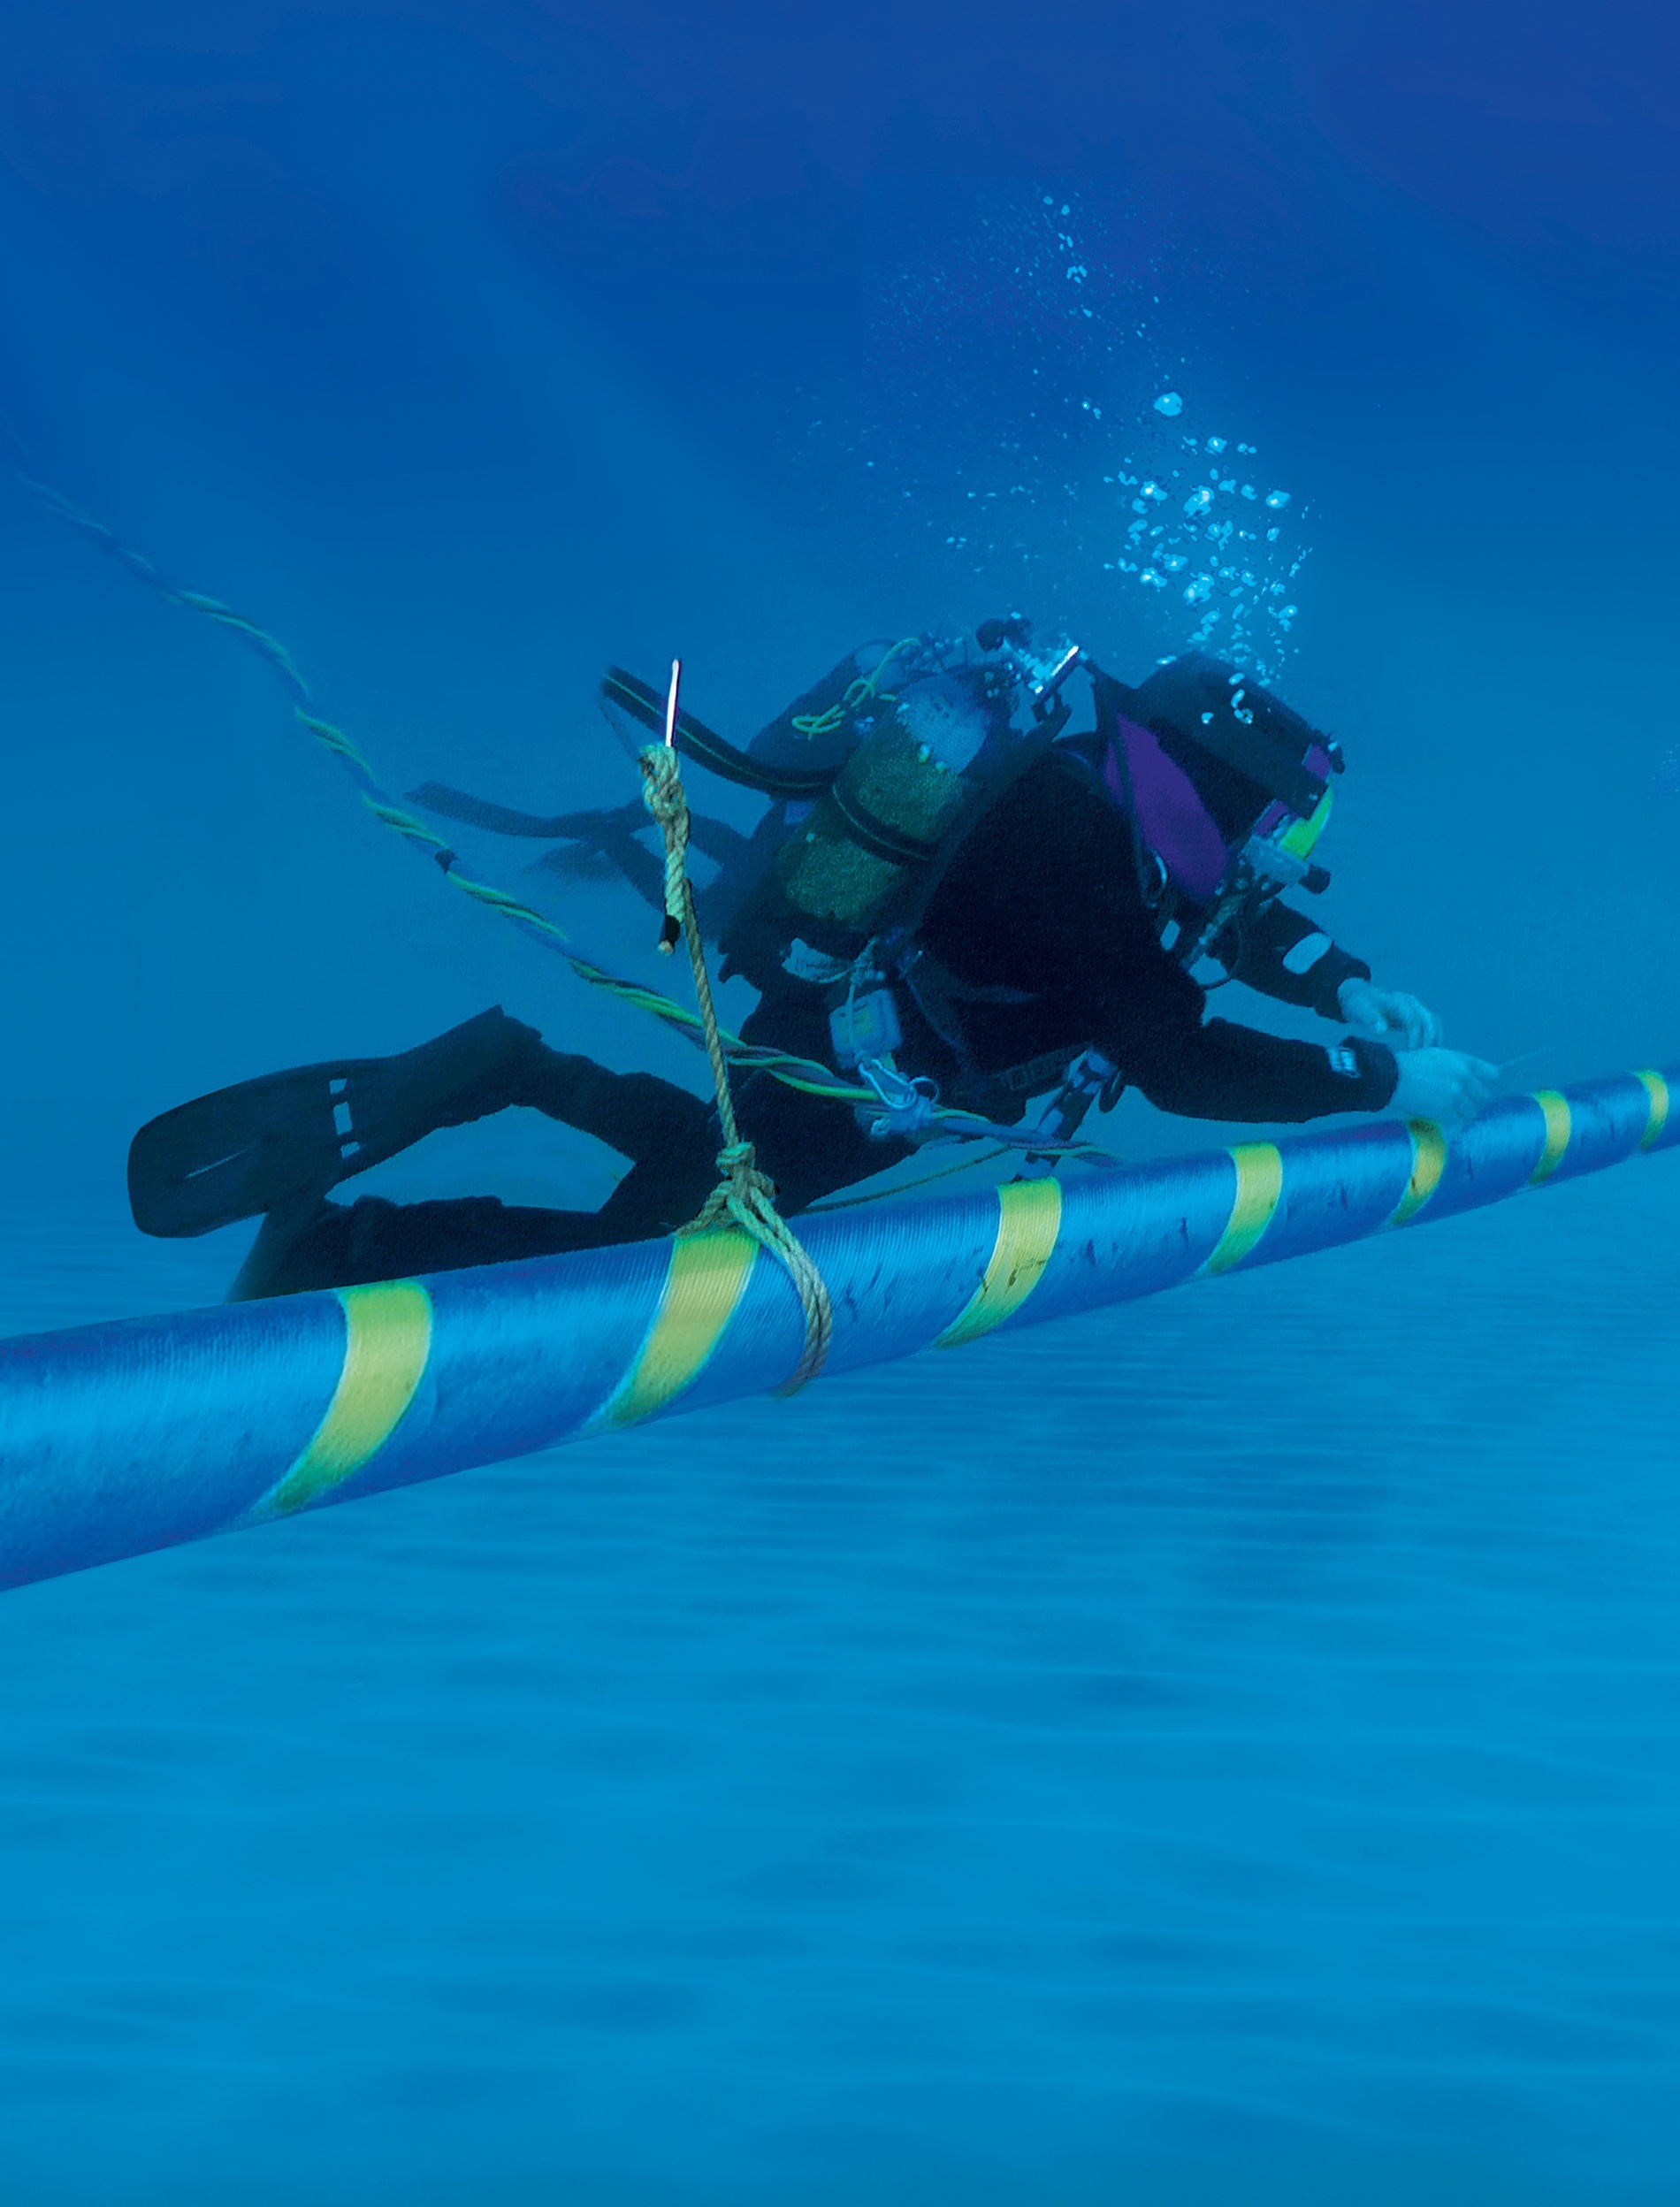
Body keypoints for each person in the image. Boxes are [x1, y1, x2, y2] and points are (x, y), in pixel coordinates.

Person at [129, 626, 1497, 1299]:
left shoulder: (1123, 815)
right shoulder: (1071, 839)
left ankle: (521, 1068)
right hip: (851, 1061)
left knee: (712, 1166)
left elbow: (1234, 921)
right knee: (648, 1256)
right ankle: (347, 1248)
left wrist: (1344, 983)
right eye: (1280, 824)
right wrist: (1378, 1080)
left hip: (874, 1071)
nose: (1283, 857)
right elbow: (1177, 1058)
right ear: (1207, 781)